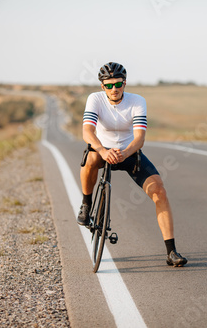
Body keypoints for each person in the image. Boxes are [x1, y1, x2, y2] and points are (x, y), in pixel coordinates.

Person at [77, 62, 187, 267]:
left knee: (160, 192)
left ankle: (171, 251)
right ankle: (86, 204)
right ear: (102, 87)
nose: (114, 89)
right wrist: (102, 150)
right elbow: (87, 132)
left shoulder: (137, 101)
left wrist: (125, 153)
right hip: (102, 151)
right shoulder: (95, 99)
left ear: (124, 83)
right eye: (108, 85)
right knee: (90, 158)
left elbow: (140, 138)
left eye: (118, 84)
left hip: (129, 153)